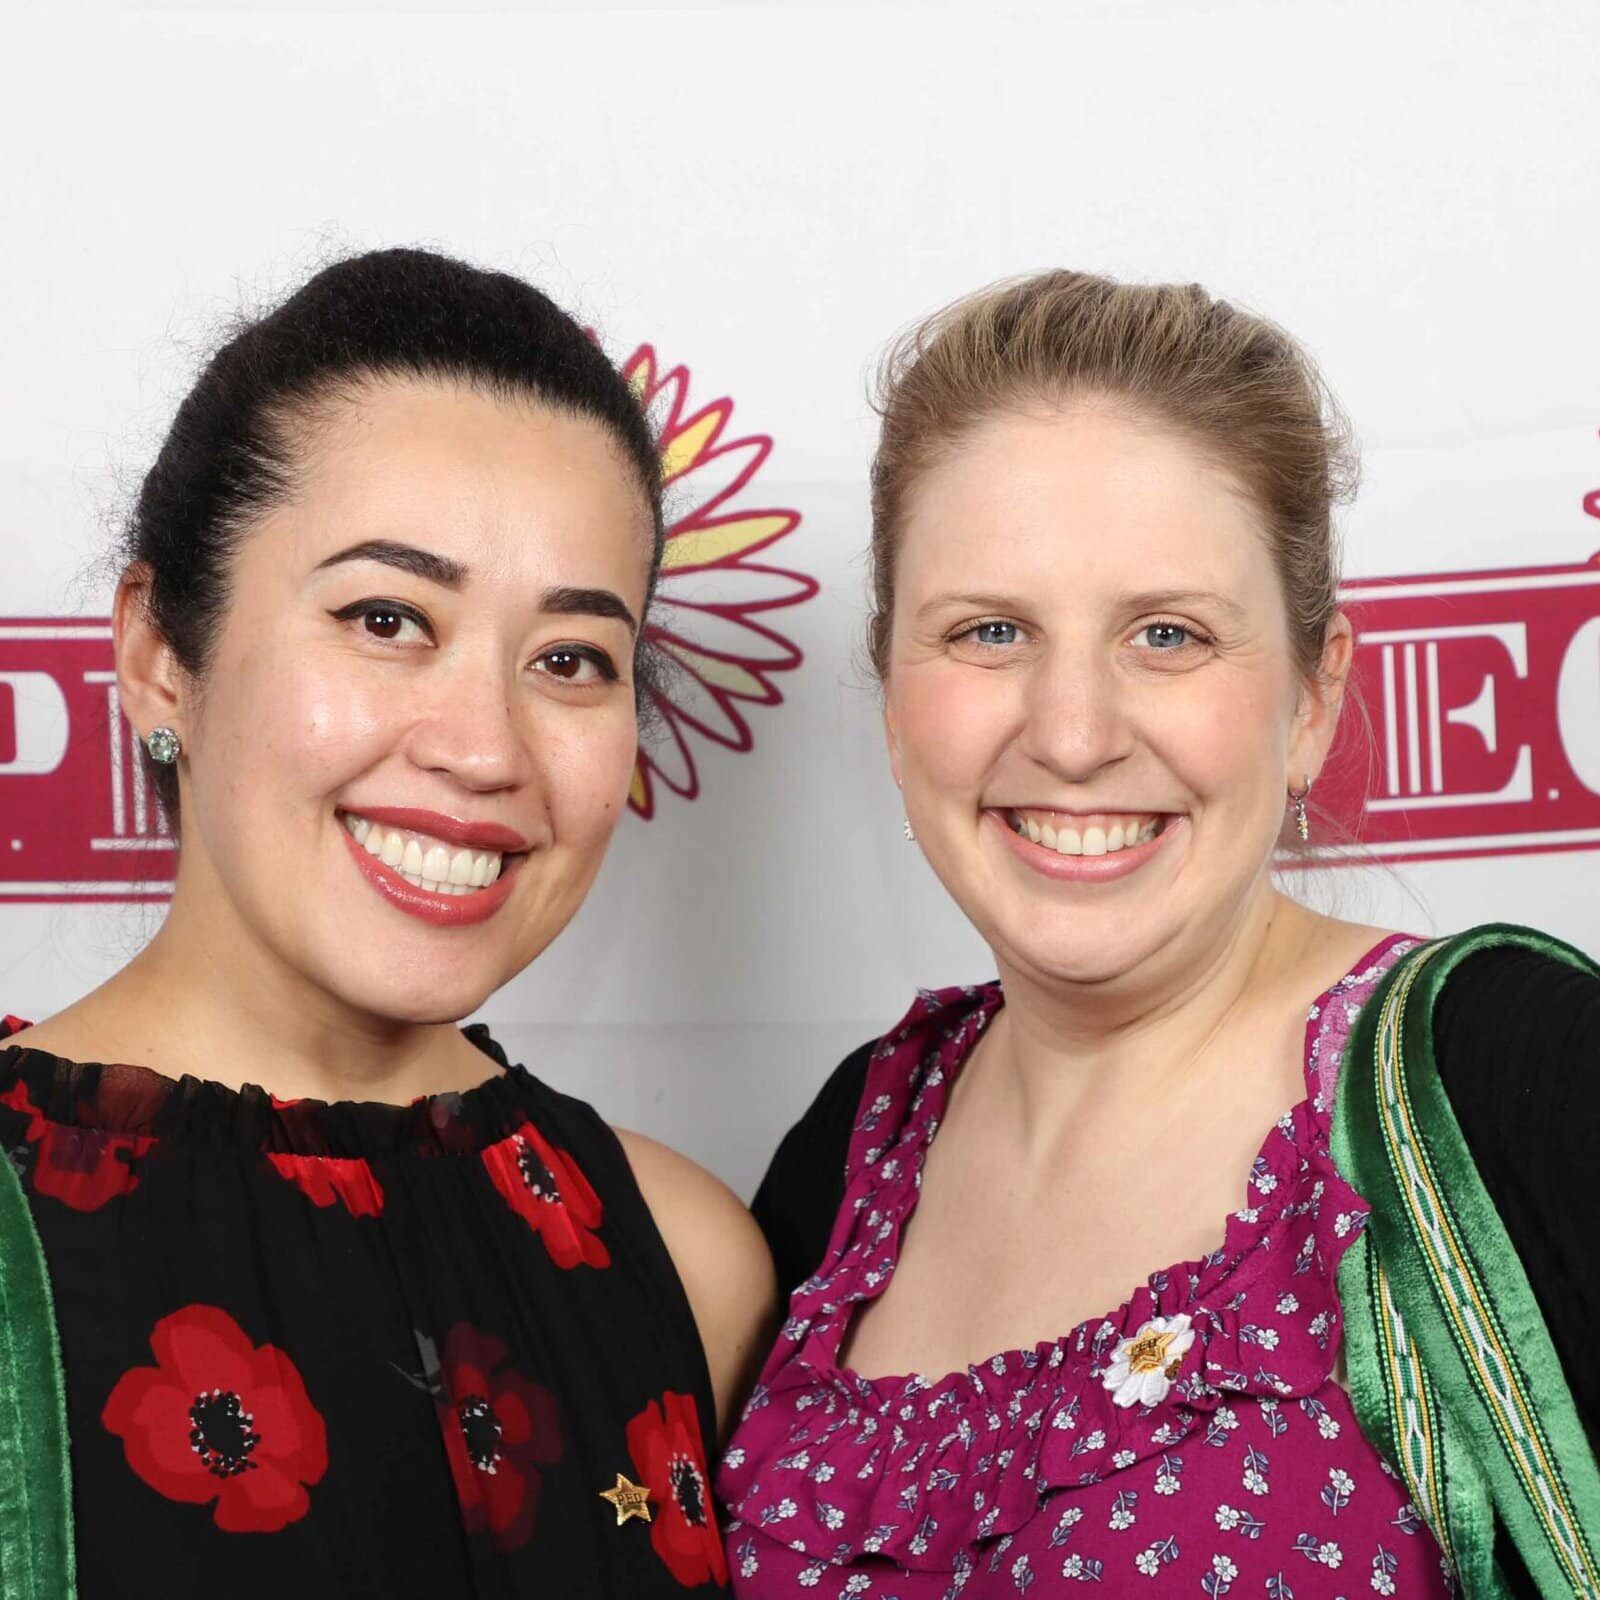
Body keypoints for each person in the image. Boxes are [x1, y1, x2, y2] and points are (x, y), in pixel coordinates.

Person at [719, 272, 1599, 1597]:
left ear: (1312, 699)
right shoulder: (850, 1148)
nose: (1072, 732)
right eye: (990, 631)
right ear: (895, 701)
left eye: (1170, 634)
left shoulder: (1515, 1079)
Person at [0, 248, 773, 1597]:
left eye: (572, 659)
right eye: (386, 617)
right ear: (156, 654)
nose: (484, 748)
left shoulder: (689, 1264)